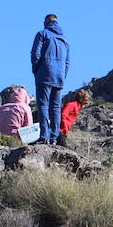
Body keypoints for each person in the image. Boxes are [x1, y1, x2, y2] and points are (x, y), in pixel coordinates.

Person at [30, 14, 70, 145]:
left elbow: (35, 54)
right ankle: (54, 138)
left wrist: (36, 70)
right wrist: (63, 76)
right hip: (59, 77)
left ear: (46, 22)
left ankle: (44, 136)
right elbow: (67, 63)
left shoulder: (42, 34)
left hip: (44, 74)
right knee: (56, 108)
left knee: (43, 105)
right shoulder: (64, 41)